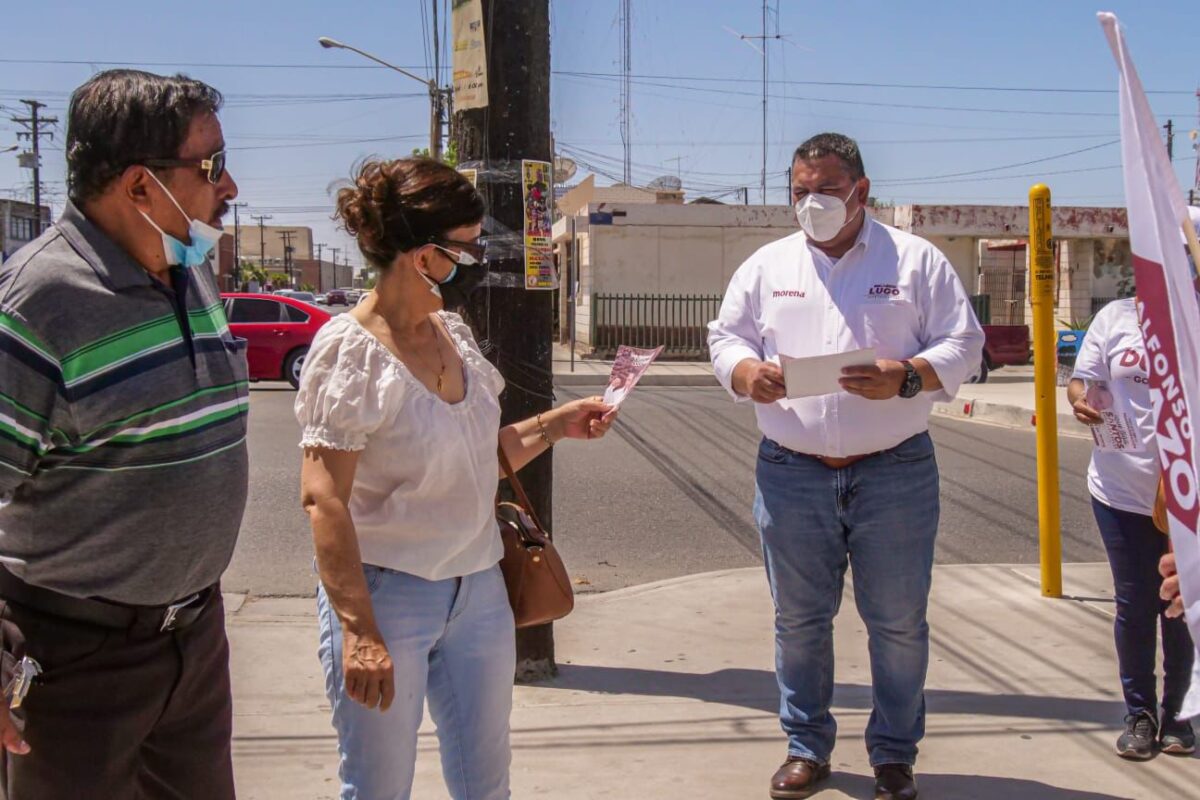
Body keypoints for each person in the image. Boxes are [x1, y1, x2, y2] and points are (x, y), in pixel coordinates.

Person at [297, 158, 616, 800]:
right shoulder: (350, 351)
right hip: (388, 597)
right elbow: (323, 497)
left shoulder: (452, 332)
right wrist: (359, 630)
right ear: (423, 256)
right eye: (467, 249)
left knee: (485, 785)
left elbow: (472, 456)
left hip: (478, 592)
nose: (477, 262)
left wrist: (555, 426)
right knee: (378, 788)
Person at [708, 133, 983, 800]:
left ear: (861, 191)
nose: (812, 203)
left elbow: (964, 343)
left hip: (894, 472)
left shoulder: (915, 260)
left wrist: (907, 376)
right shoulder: (766, 266)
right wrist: (745, 373)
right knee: (799, 621)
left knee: (897, 623)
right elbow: (726, 337)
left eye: (826, 190)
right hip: (791, 471)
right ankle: (806, 747)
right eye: (800, 191)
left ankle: (894, 756)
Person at [0, 70, 246, 796]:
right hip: (75, 660)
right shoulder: (38, 303)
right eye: (212, 166)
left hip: (194, 642)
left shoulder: (187, 269)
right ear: (141, 186)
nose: (229, 187)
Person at [1068, 207, 1200, 760]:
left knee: (1182, 603)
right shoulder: (1117, 317)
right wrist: (1083, 402)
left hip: (1189, 495)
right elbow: (1084, 380)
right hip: (1120, 487)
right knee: (1136, 601)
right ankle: (1140, 714)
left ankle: (1179, 715)